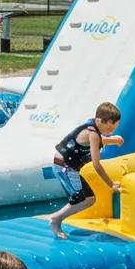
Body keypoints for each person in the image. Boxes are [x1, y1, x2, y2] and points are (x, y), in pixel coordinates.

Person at [49, 102, 125, 240]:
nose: (111, 131)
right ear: (100, 121)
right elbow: (96, 164)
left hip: (71, 166)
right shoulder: (93, 134)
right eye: (110, 128)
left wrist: (112, 140)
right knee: (83, 199)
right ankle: (56, 219)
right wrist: (111, 184)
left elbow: (91, 141)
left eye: (114, 128)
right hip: (64, 167)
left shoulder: (93, 128)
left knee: (89, 199)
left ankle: (56, 218)